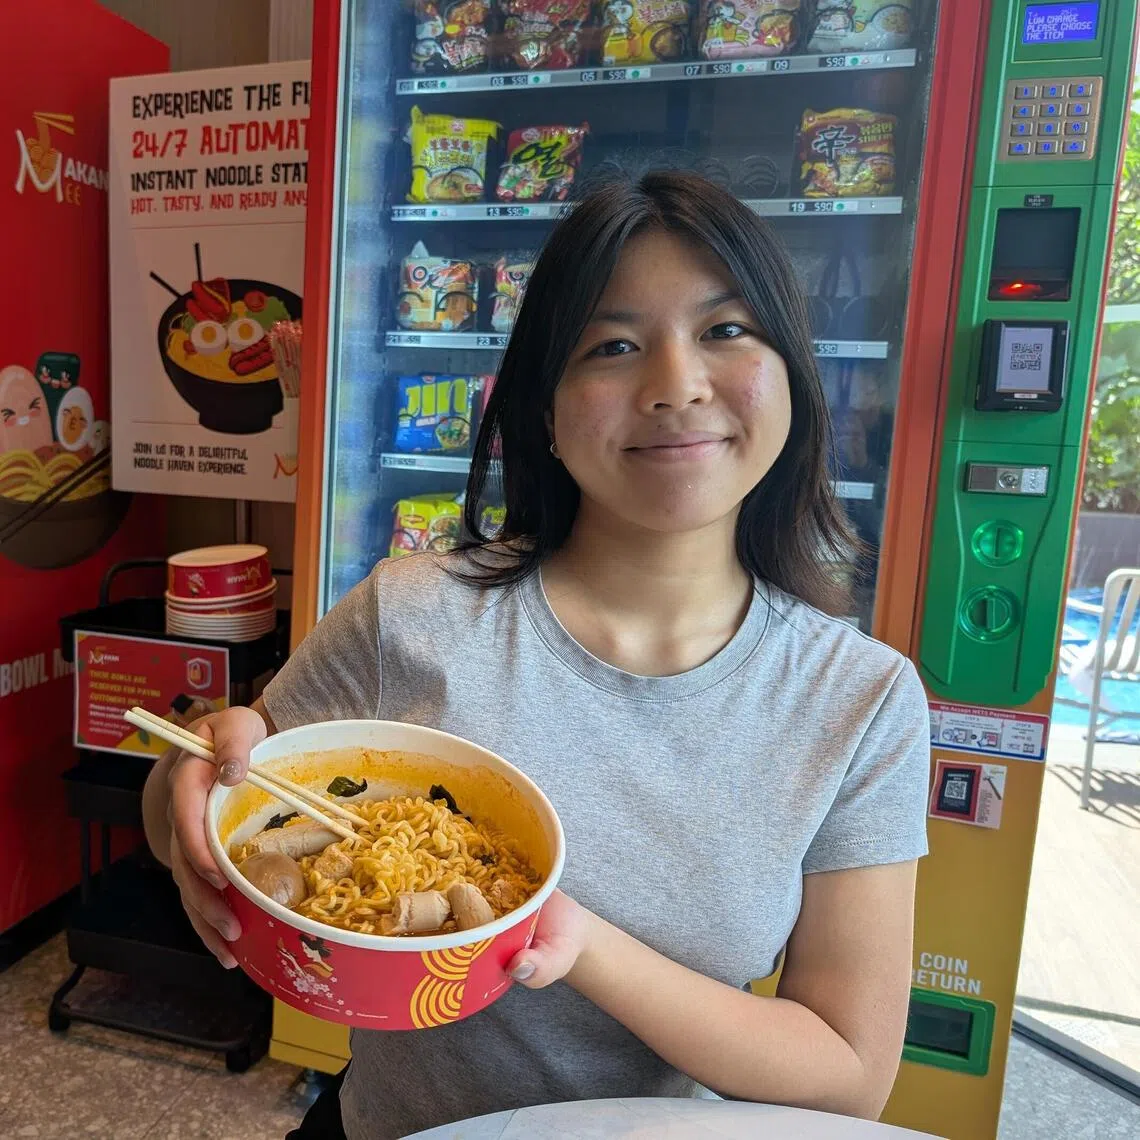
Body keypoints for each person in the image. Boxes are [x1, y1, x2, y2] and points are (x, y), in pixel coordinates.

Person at [142, 171, 930, 1140]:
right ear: (545, 411)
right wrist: (185, 783)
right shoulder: (408, 614)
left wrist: (573, 942)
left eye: (726, 330)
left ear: (793, 379)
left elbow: (849, 1079)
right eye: (613, 345)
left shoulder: (861, 701)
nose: (677, 384)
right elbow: (214, 800)